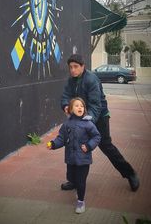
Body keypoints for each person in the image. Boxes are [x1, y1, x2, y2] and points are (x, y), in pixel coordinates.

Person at [60, 54, 140, 192]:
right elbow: (66, 95)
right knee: (76, 148)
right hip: (81, 118)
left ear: (82, 66)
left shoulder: (91, 79)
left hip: (99, 117)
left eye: (76, 67)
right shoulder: (71, 80)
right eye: (70, 67)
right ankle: (74, 181)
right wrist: (66, 105)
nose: (73, 70)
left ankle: (130, 174)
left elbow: (96, 106)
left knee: (106, 147)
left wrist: (86, 122)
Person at [47, 97, 101, 214]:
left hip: (83, 159)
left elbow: (97, 136)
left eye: (81, 106)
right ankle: (75, 185)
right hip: (71, 158)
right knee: (71, 177)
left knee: (81, 181)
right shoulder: (67, 124)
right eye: (76, 106)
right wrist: (53, 144)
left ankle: (81, 201)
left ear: (84, 109)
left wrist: (89, 145)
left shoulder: (88, 124)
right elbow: (61, 138)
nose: (80, 107)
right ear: (70, 109)